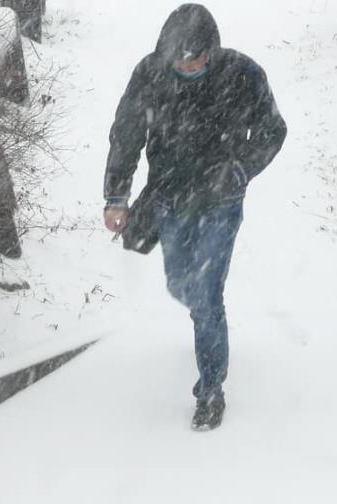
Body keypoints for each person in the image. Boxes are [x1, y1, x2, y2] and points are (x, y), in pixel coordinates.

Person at [102, 3, 287, 431]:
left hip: (221, 202)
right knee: (180, 285)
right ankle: (206, 325)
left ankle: (210, 389)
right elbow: (126, 133)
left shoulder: (242, 74)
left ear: (212, 49)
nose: (187, 65)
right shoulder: (150, 74)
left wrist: (239, 168)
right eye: (179, 58)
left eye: (195, 57)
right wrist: (116, 194)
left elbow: (273, 130)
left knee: (205, 295)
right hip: (168, 198)